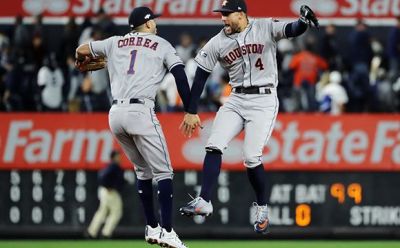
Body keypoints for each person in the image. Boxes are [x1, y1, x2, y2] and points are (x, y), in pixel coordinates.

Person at [179, 0, 319, 235]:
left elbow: (291, 29)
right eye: (221, 14)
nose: (223, 19)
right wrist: (191, 111)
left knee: (251, 157)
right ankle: (204, 201)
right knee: (213, 145)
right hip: (236, 99)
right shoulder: (217, 42)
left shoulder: (264, 27)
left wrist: (303, 22)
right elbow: (200, 78)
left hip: (263, 100)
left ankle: (262, 208)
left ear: (241, 13)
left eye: (227, 14)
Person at [75, 6, 195, 248]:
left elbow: (81, 50)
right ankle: (168, 232)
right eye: (154, 22)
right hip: (140, 111)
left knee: (142, 172)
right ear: (148, 24)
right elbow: (180, 75)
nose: (156, 25)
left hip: (116, 115)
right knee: (164, 173)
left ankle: (151, 227)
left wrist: (83, 63)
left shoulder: (114, 42)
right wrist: (190, 110)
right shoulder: (160, 44)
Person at [87, 150, 124, 238]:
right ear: (114, 157)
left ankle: (91, 232)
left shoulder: (109, 165)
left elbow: (101, 175)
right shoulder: (113, 166)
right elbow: (103, 176)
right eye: (118, 156)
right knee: (116, 212)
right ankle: (106, 233)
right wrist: (108, 186)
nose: (120, 158)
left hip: (104, 191)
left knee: (102, 212)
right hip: (110, 192)